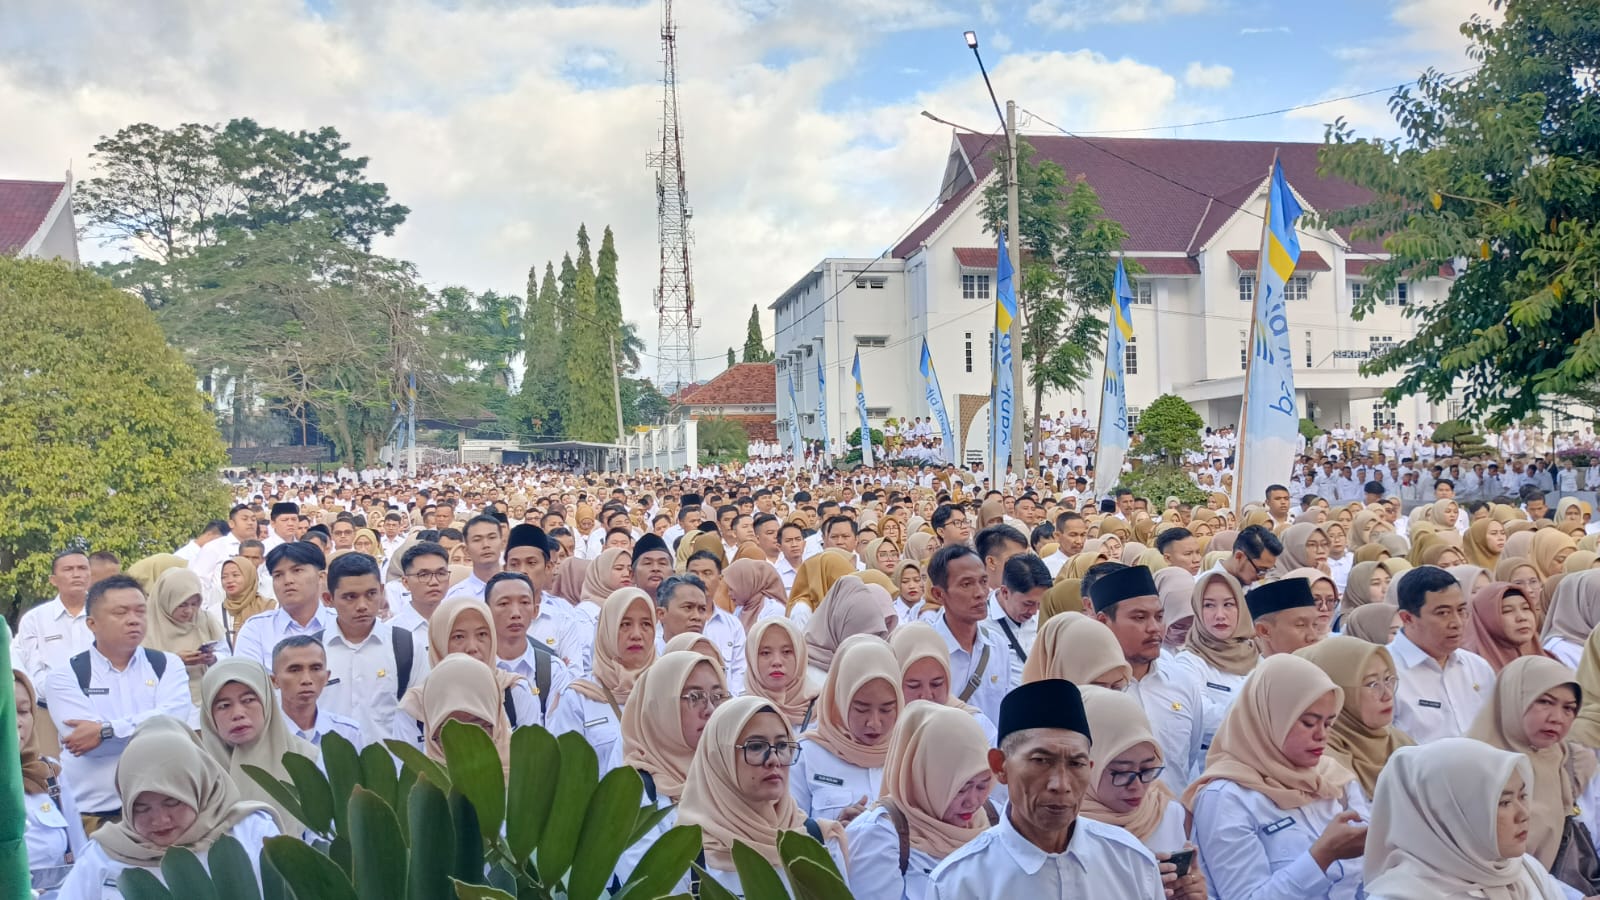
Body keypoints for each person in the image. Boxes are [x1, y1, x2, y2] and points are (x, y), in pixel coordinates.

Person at [928, 679, 1179, 900]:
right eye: (1041, 761)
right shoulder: (958, 883)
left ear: (1090, 768)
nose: (1061, 784)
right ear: (1000, 766)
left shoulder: (1130, 861)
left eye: (1076, 764)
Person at [1185, 654, 1369, 900]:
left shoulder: (1333, 779)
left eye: (1328, 723)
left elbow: (1373, 875)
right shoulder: (1227, 797)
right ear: (1269, 719)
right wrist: (1321, 857)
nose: (1321, 735)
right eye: (1308, 723)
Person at [56, 716, 280, 898]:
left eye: (173, 802)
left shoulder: (250, 831)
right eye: (141, 808)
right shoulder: (103, 854)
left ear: (199, 788)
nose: (160, 820)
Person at [45, 575, 194, 830]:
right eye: (120, 612)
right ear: (91, 623)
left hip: (162, 808)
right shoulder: (64, 676)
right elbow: (84, 744)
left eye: (140, 611)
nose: (134, 619)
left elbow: (175, 726)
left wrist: (105, 731)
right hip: (94, 813)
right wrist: (151, 728)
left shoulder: (167, 665)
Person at [675, 696, 847, 895]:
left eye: (782, 746)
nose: (773, 759)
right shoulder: (687, 858)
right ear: (720, 758)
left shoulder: (818, 842)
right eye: (756, 747)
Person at [1363, 738, 1572, 900]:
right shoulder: (1403, 895)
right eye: (1504, 803)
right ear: (1452, 816)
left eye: (1522, 796)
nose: (1524, 814)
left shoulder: (1521, 868)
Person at [845, 701, 994, 900]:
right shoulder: (878, 837)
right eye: (960, 789)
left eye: (983, 785)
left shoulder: (994, 822)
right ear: (925, 777)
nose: (973, 801)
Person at [1466, 655, 1599, 874]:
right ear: (1512, 698)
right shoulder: (1469, 768)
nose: (1557, 718)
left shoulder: (1573, 762)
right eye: (1544, 702)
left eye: (1569, 708)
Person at [613, 650, 730, 890]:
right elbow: (651, 885)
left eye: (718, 696)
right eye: (695, 696)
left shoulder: (735, 777)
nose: (710, 709)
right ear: (660, 706)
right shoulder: (633, 792)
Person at [1090, 565, 1204, 795]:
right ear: (1103, 622)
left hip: (1172, 821)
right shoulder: (1089, 691)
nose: (1154, 628)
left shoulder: (1181, 683)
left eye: (1159, 617)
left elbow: (1189, 759)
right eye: (1139, 617)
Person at [319, 552, 429, 747]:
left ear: (381, 591)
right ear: (329, 599)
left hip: (392, 770)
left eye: (370, 594)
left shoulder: (406, 646)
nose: (362, 606)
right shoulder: (313, 653)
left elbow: (426, 714)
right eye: (350, 597)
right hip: (329, 770)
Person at [198, 657, 318, 834]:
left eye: (248, 700)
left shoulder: (307, 759)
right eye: (224, 706)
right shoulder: (196, 769)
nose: (238, 714)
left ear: (267, 702)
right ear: (209, 714)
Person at [792, 634, 904, 822]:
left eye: (886, 709)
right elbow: (787, 837)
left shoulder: (908, 755)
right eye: (861, 709)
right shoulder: (805, 756)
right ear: (840, 699)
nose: (874, 723)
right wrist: (833, 833)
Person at [547, 587, 658, 771]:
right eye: (624, 624)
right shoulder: (579, 697)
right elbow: (565, 771)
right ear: (607, 629)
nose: (636, 634)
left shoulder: (669, 691)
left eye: (646, 624)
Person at [1294, 636, 1414, 801]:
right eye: (1372, 684)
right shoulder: (1320, 753)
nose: (1387, 695)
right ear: (1336, 692)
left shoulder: (1399, 741)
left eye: (1388, 679)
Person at [1078, 685, 1192, 856]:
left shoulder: (1166, 814)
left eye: (1147, 770)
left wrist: (1193, 882)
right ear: (1086, 765)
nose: (1137, 786)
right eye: (1122, 772)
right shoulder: (1059, 828)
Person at [1388, 565, 1495, 743]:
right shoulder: (1386, 672)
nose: (1457, 622)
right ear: (1407, 618)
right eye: (1443, 613)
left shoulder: (1477, 667)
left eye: (1461, 610)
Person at [15, 669, 87, 898]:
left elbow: (82, 857)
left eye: (24, 711)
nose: (17, 723)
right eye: (6, 711)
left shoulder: (48, 774)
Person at [1171, 570, 1258, 754]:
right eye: (1209, 605)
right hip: (1211, 768)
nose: (1220, 615)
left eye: (1228, 604)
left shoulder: (1258, 654)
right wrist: (1260, 717)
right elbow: (1202, 717)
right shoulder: (1188, 662)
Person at [926, 545, 1013, 726]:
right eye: (966, 584)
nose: (980, 593)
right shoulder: (927, 652)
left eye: (983, 581)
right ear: (939, 594)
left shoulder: (997, 645)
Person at [426, 595, 539, 734]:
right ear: (439, 643)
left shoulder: (515, 692)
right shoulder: (418, 703)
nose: (472, 647)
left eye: (482, 634)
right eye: (459, 637)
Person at [400, 653, 515, 773]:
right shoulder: (418, 784)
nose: (465, 745)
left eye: (477, 728)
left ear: (497, 719)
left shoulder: (527, 777)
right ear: (431, 730)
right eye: (450, 731)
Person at [889, 622, 999, 744]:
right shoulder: (877, 733)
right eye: (914, 686)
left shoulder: (976, 728)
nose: (927, 696)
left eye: (936, 684)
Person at [233, 542, 335, 670]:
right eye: (278, 575)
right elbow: (249, 683)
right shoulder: (256, 630)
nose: (288, 580)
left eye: (297, 570)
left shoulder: (341, 624)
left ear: (321, 577)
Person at [144, 568, 225, 706]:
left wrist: (213, 658)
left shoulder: (204, 619)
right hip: (163, 703)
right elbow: (136, 669)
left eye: (194, 604)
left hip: (205, 700)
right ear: (165, 599)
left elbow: (226, 652)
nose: (189, 611)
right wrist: (173, 661)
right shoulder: (145, 625)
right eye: (182, 605)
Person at [802, 574, 893, 690]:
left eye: (876, 637)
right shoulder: (808, 680)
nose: (868, 648)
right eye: (858, 636)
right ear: (840, 627)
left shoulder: (872, 670)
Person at [268, 635, 361, 748]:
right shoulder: (262, 735)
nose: (306, 680)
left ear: (327, 677)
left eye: (315, 669)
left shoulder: (348, 734)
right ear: (274, 681)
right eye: (295, 670)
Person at [744, 617, 819, 731]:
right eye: (765, 653)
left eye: (786, 652)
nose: (777, 662)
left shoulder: (823, 710)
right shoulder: (740, 712)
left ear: (800, 654)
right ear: (752, 657)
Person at [991, 554, 1049, 688]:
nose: (1034, 611)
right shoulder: (979, 621)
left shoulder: (1043, 618)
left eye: (1039, 604)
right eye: (1028, 604)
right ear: (1005, 592)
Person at [1249, 577, 1323, 658]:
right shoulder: (1256, 670)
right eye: (1301, 625)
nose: (1314, 637)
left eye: (1315, 624)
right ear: (1264, 631)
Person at [218, 555, 273, 642]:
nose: (229, 580)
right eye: (224, 577)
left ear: (249, 576)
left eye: (235, 575)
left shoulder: (270, 608)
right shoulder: (215, 611)